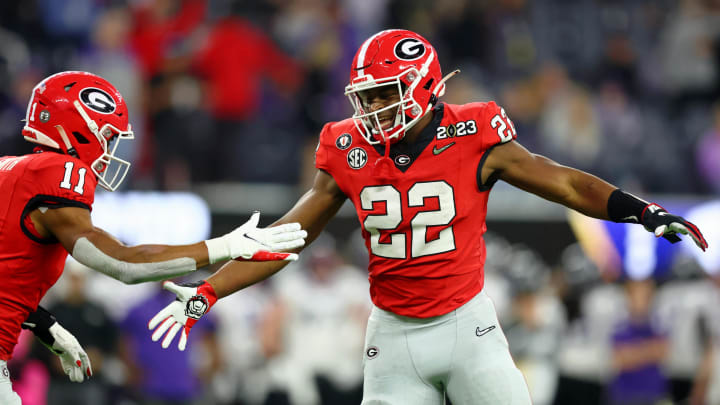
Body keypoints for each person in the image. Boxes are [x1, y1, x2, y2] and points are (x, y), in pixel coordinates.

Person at [148, 30, 708, 405]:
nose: (369, 110)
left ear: (422, 87)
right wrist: (209, 292)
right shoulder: (345, 147)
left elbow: (559, 179)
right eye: (364, 97)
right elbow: (286, 237)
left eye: (383, 94)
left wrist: (641, 211)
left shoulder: (474, 132)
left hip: (469, 328)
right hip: (391, 337)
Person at [0, 71, 308, 404]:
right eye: (107, 137)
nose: (109, 152)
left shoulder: (10, 168)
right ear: (78, 127)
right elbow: (123, 264)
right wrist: (227, 245)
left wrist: (44, 324)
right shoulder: (58, 172)